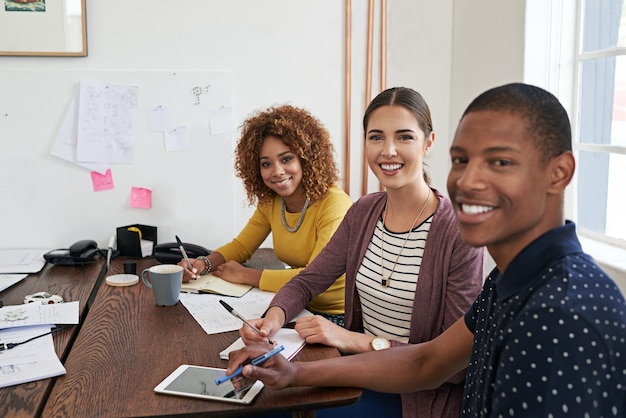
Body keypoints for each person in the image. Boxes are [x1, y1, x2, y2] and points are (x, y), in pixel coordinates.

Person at [227, 83, 626, 417]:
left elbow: (441, 374)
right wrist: (291, 368)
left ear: (560, 173)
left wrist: (350, 341)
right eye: (462, 160)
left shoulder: (564, 309)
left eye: (500, 162)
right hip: (384, 372)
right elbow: (429, 361)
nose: (470, 181)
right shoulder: (509, 278)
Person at [240, 87, 485, 418]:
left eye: (404, 137)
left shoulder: (458, 232)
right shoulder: (364, 212)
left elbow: (452, 365)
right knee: (257, 400)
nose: (389, 150)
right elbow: (307, 282)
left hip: (417, 396)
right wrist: (273, 320)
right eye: (376, 137)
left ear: (428, 143)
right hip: (359, 372)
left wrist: (353, 340)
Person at [180, 105, 352, 318]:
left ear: (306, 158)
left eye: (286, 159)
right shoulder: (271, 202)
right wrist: (203, 264)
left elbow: (314, 277)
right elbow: (241, 246)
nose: (277, 171)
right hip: (295, 303)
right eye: (266, 163)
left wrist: (246, 275)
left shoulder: (334, 205)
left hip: (336, 315)